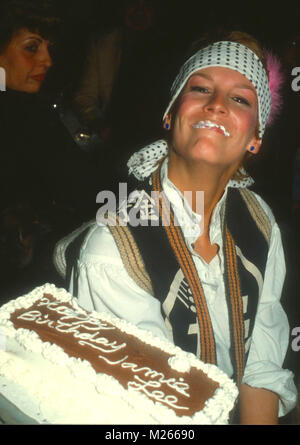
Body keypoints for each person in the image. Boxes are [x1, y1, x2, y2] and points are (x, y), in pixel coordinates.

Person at [64, 31, 297, 424]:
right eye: (201, 88)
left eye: (240, 98)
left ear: (255, 138)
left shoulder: (259, 220)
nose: (217, 105)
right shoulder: (116, 247)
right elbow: (148, 414)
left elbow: (260, 366)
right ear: (171, 113)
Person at [0, 0, 104, 301]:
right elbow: (86, 190)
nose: (47, 60)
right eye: (32, 47)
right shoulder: (28, 114)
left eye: (48, 47)